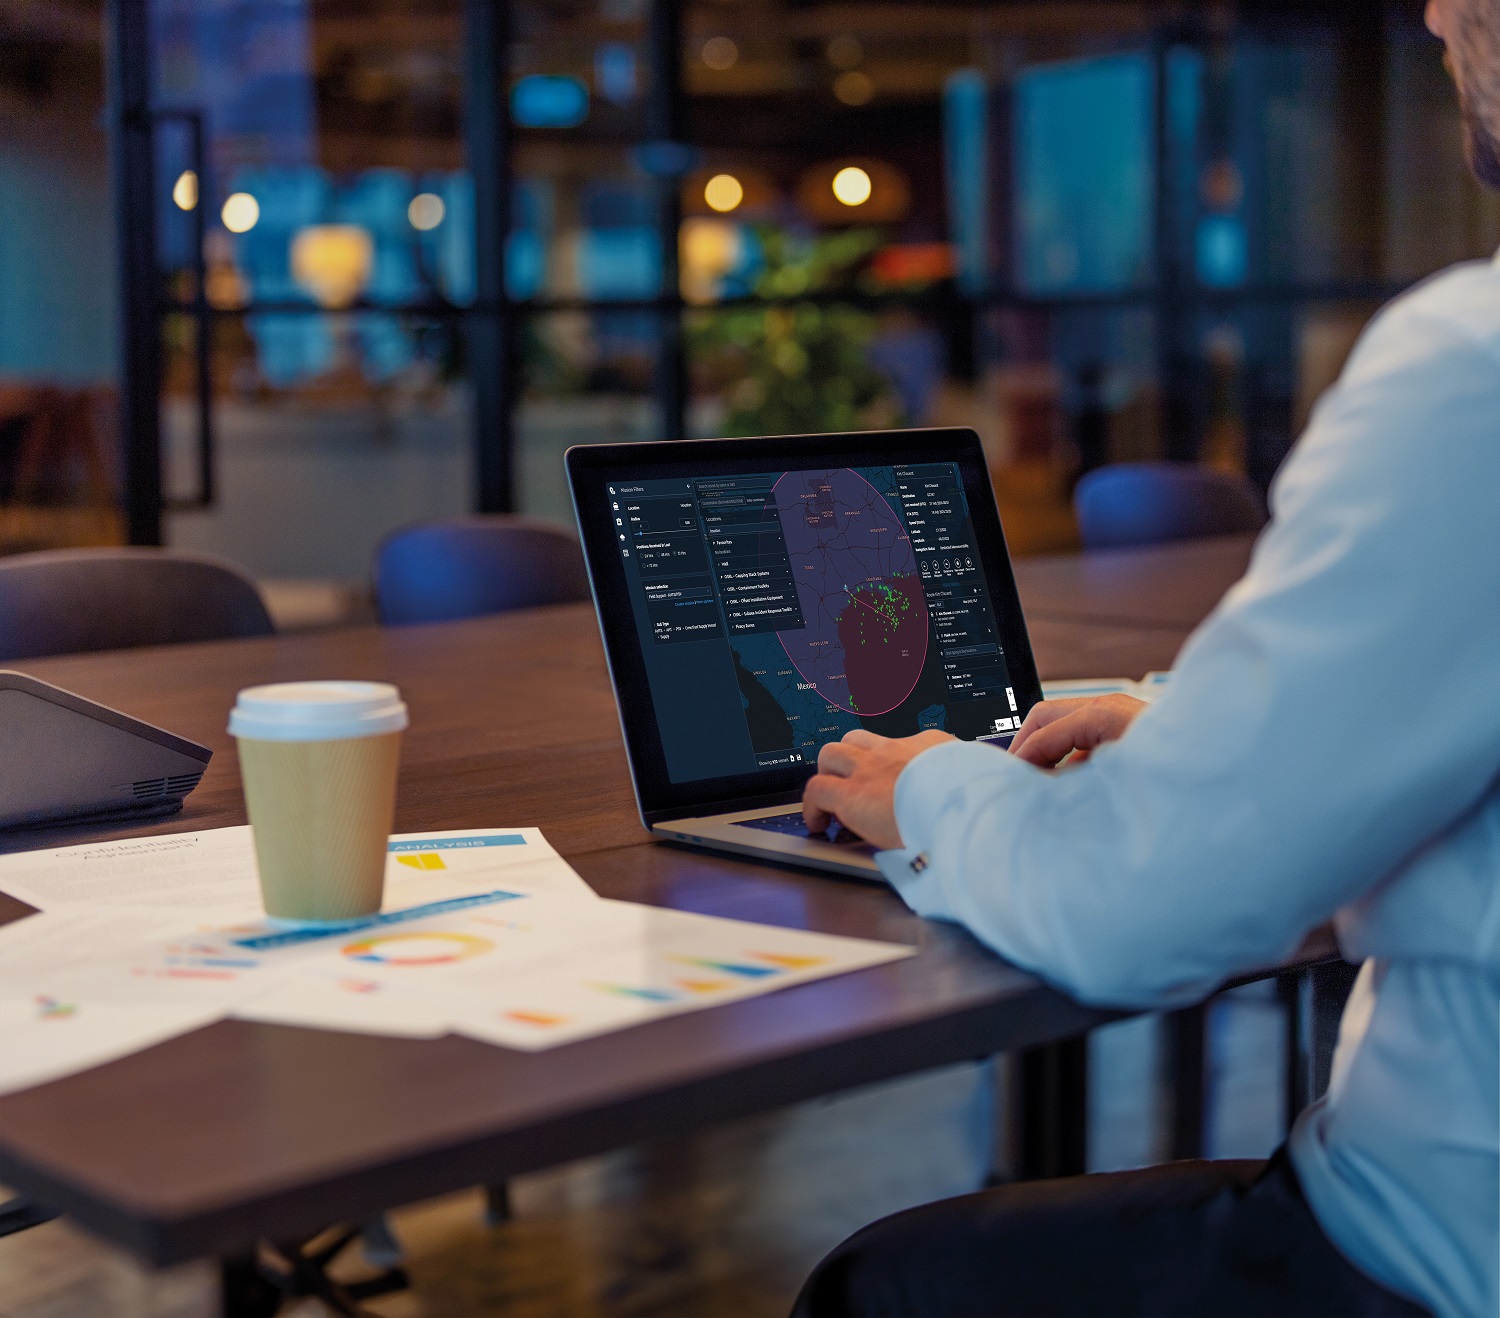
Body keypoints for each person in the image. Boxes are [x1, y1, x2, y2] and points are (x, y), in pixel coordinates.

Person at [793, 2, 1499, 1315]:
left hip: (1428, 1255)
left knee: (882, 1286)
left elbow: (1134, 913)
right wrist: (1203, 740)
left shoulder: (1477, 364)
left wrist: (931, 787)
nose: (1435, 14)